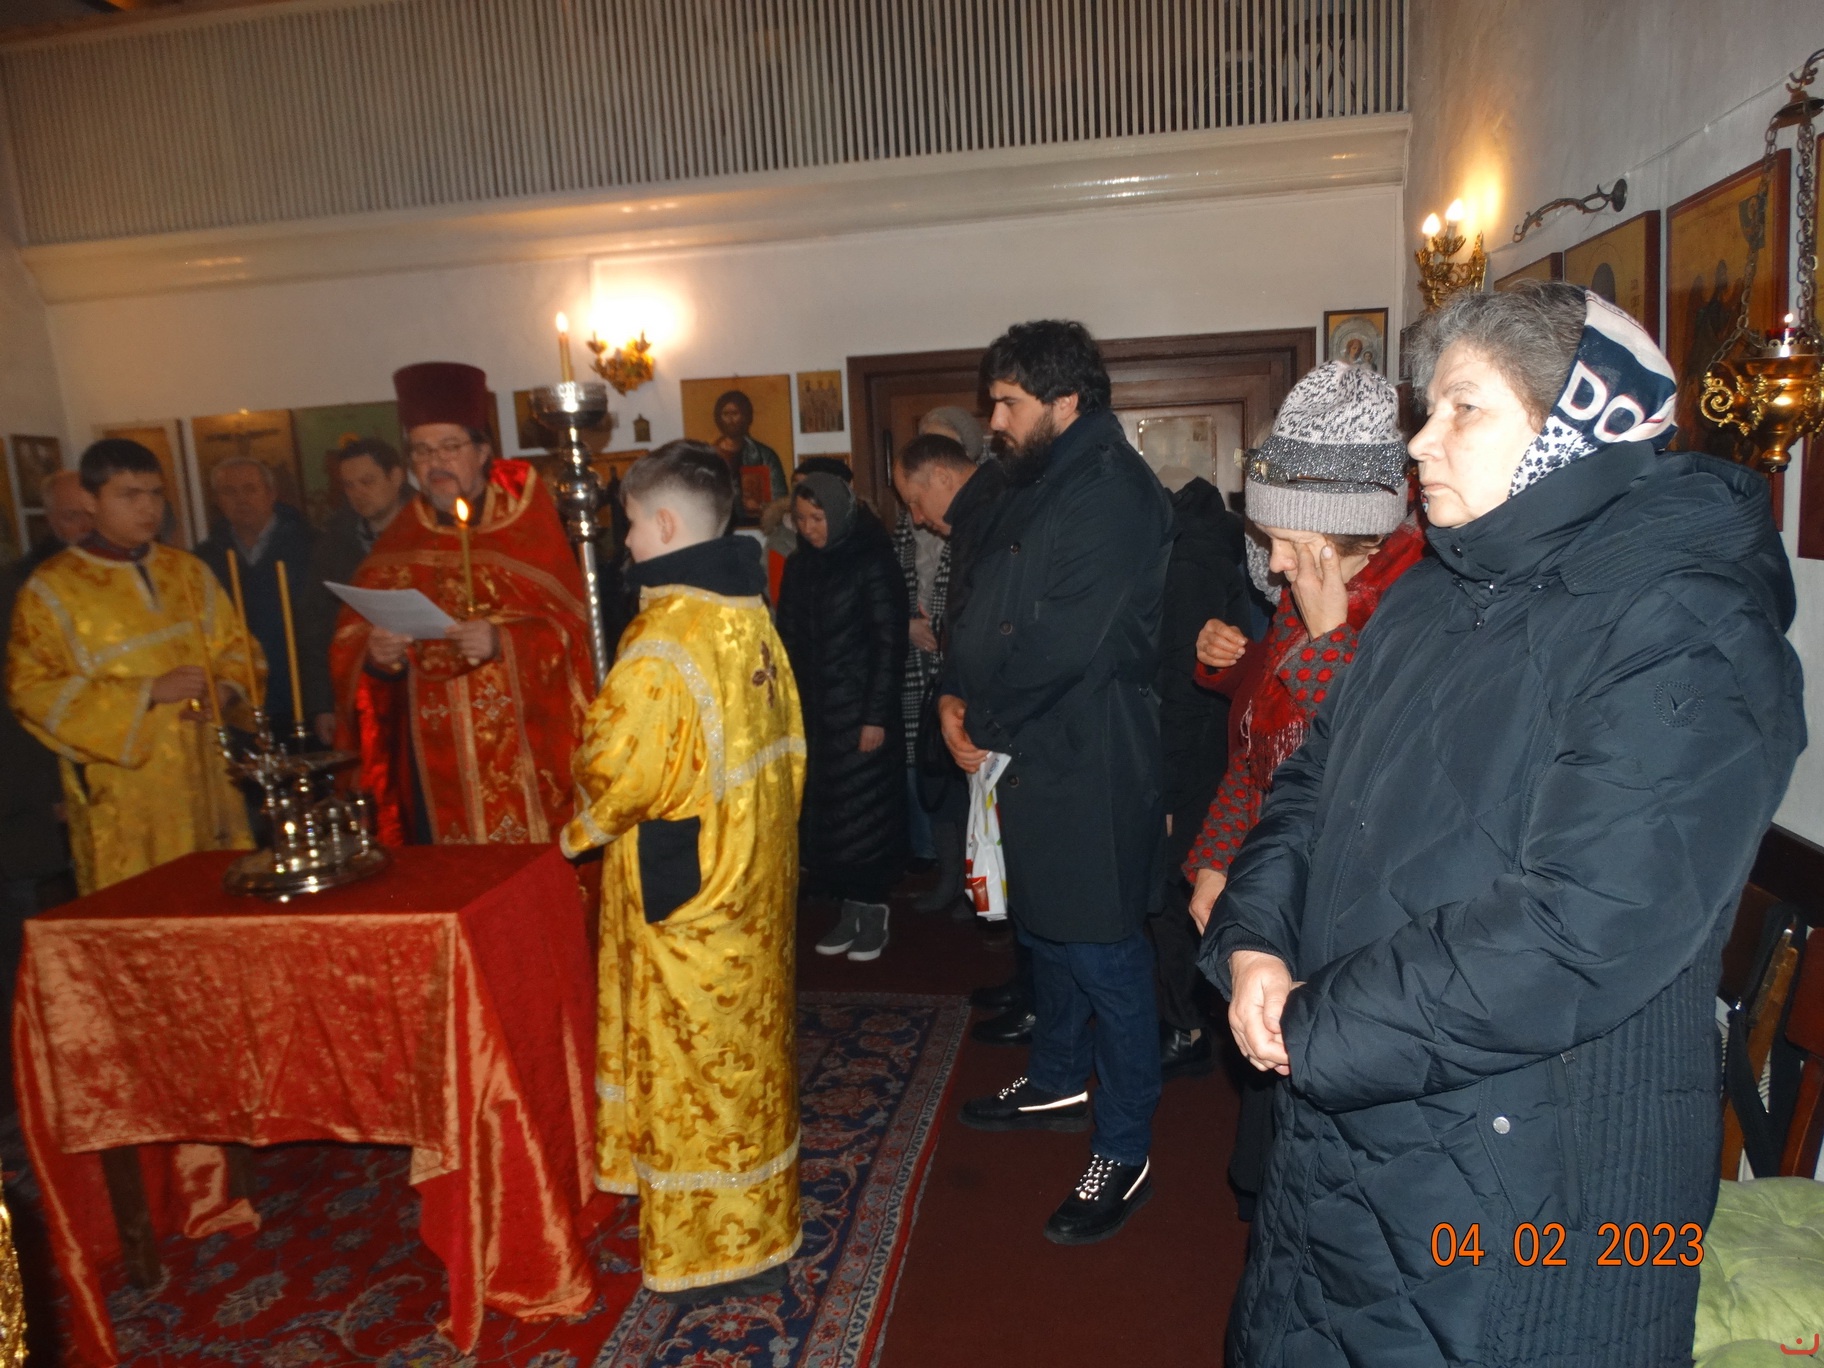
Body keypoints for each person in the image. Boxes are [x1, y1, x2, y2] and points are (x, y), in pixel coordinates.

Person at [1204, 283, 1804, 1366]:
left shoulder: (1686, 623)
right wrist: (1256, 941)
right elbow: (1312, 785)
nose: (1419, 441)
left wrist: (1315, 1025)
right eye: (1427, 408)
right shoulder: (1437, 592)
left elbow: (1580, 927)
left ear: (1578, 421)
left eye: (1463, 408)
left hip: (1530, 1184)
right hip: (1360, 1129)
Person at [943, 319, 1173, 1245]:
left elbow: (1064, 642)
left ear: (1065, 401)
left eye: (1008, 403)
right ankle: (1055, 1079)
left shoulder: (1113, 490)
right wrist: (955, 692)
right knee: (1047, 931)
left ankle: (1125, 1147)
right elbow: (981, 600)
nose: (993, 421)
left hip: (1093, 754)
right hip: (1030, 742)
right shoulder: (1038, 476)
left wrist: (980, 718)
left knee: (1106, 952)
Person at [561, 441, 805, 1303]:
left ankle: (708, 1254)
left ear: (664, 524)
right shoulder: (750, 614)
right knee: (747, 1061)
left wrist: (581, 785)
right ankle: (762, 1228)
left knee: (695, 1068)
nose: (624, 541)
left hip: (688, 890)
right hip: (752, 881)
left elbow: (619, 768)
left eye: (630, 524)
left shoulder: (666, 638)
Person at [1179, 364, 1425, 1217]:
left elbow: (1367, 772)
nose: (1273, 564)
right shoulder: (1310, 591)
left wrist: (1327, 640)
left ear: (1344, 528)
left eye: (1285, 540)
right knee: (1265, 1161)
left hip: (1349, 932)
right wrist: (1218, 862)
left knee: (1319, 1184)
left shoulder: (1417, 605)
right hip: (1279, 907)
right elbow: (1262, 749)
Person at [329, 362, 593, 846]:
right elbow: (350, 644)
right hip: (429, 768)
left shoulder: (524, 526)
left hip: (522, 760)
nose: (436, 461)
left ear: (483, 451)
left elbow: (575, 633)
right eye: (422, 450)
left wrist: (502, 641)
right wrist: (377, 658)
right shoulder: (401, 538)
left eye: (450, 446)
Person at [6, 439, 261, 895]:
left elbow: (238, 646)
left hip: (207, 771)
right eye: (129, 495)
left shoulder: (188, 571)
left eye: (155, 493)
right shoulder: (51, 589)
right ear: (90, 500)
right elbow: (31, 690)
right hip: (123, 791)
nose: (148, 508)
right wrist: (146, 692)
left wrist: (225, 689)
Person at [776, 470, 908, 963]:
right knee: (832, 819)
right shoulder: (799, 566)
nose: (810, 528)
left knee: (867, 816)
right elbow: (788, 637)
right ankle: (848, 909)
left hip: (861, 714)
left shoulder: (873, 561)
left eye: (818, 518)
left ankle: (873, 911)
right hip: (817, 714)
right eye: (802, 519)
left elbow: (889, 644)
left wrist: (875, 716)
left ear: (839, 512)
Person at [1149, 461, 1251, 1083]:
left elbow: (1181, 691)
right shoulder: (1207, 538)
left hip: (1194, 761)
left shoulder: (1187, 560)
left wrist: (1164, 790)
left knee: (1176, 895)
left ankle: (1185, 1026)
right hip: (1207, 753)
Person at [893, 407, 988, 907]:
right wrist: (906, 623)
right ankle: (949, 877)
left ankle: (980, 888)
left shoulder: (984, 515)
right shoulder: (908, 525)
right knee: (933, 774)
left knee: (973, 785)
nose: (916, 516)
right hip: (923, 672)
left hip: (967, 671)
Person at [299, 438, 409, 743]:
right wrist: (322, 704)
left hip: (422, 685)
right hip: (360, 692)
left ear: (396, 477)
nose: (358, 493)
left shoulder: (432, 532)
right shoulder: (332, 546)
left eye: (367, 481)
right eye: (349, 485)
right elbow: (316, 628)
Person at [196, 456, 316, 733]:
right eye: (229, 492)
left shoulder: (312, 548)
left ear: (271, 493)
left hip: (301, 697)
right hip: (235, 703)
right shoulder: (203, 561)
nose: (241, 499)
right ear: (217, 500)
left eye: (250, 489)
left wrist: (322, 702)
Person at [713, 388, 789, 522]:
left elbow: (780, 500)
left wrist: (760, 507)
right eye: (725, 414)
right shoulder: (709, 456)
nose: (730, 420)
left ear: (746, 416)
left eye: (735, 413)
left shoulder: (765, 455)